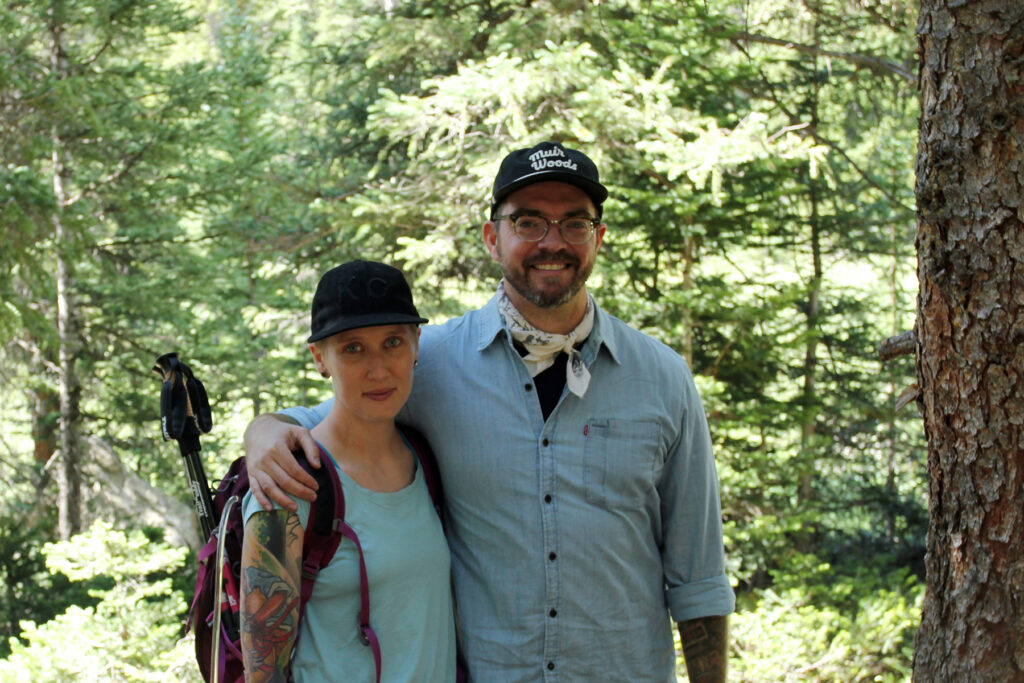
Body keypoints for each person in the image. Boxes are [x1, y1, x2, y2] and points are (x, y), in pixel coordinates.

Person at [245, 141, 735, 682]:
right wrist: (263, 430)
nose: (553, 241)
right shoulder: (431, 363)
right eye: (528, 222)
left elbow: (699, 579)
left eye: (575, 223)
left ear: (598, 238)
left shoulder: (663, 378)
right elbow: (336, 415)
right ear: (492, 238)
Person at [239, 260, 457, 682]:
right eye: (353, 348)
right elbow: (262, 672)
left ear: (416, 345)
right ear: (320, 359)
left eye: (393, 342)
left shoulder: (426, 458)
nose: (378, 369)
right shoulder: (290, 482)